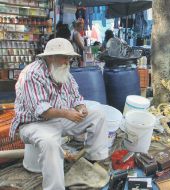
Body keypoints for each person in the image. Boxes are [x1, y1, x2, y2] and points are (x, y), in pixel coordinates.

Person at [10, 38, 109, 190]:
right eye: (64, 57)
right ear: (50, 56)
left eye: (69, 58)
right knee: (49, 142)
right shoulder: (31, 74)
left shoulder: (63, 71)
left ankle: (93, 161)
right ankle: (55, 187)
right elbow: (41, 110)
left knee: (98, 113)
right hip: (33, 123)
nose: (68, 61)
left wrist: (81, 107)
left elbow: (76, 97)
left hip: (59, 118)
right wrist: (68, 114)